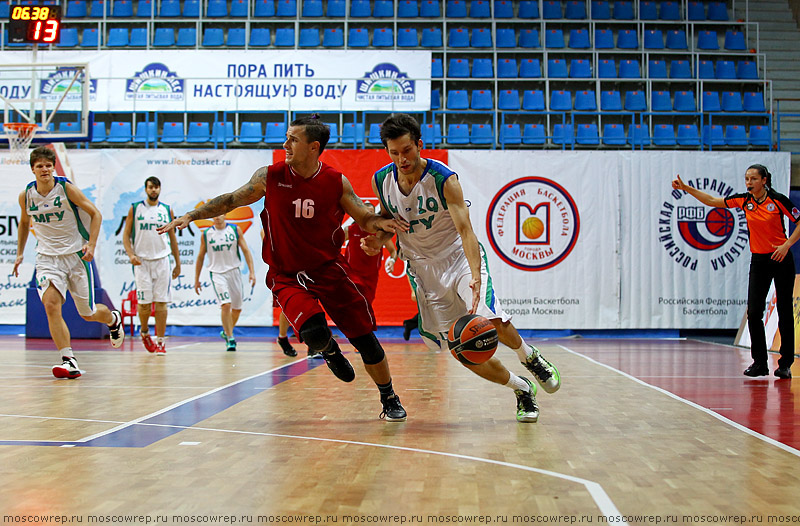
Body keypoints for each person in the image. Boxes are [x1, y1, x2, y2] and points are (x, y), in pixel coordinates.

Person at [159, 114, 409, 421]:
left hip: (328, 269)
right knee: (314, 332)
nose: (285, 144)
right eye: (286, 137)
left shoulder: (335, 182)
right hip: (287, 275)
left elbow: (363, 218)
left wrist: (381, 223)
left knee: (366, 342)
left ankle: (389, 397)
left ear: (314, 147)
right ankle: (329, 350)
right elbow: (229, 200)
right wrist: (192, 215)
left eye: (293, 139)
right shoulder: (270, 176)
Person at [363, 113, 562, 423]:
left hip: (457, 258)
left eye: (407, 150)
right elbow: (391, 222)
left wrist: (476, 275)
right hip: (423, 269)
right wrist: (378, 239)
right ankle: (522, 389)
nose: (401, 159)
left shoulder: (444, 179)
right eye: (394, 152)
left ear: (419, 145)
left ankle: (529, 357)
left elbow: (466, 231)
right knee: (463, 348)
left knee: (486, 316)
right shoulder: (381, 181)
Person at [672, 166, 800, 379]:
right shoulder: (744, 200)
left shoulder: (778, 200)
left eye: (753, 179)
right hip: (759, 260)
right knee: (754, 311)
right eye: (746, 178)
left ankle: (785, 364)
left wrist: (786, 245)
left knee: (785, 312)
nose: (749, 182)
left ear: (764, 181)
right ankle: (760, 363)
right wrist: (687, 189)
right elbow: (713, 201)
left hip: (781, 258)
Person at [13, 146, 124, 379]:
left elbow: (96, 214)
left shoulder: (65, 189)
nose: (44, 169)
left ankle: (113, 319)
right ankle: (68, 359)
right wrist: (20, 254)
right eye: (40, 165)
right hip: (47, 258)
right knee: (51, 304)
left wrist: (91, 244)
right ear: (32, 169)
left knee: (88, 313)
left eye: (48, 165)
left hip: (75, 256)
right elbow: (24, 224)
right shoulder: (27, 195)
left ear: (53, 167)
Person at [123, 176, 181, 355]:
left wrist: (177, 263)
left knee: (162, 302)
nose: (153, 190)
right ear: (146, 189)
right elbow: (126, 236)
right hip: (142, 261)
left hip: (162, 260)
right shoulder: (135, 209)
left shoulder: (166, 210)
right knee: (145, 304)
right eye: (150, 187)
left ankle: (161, 341)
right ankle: (145, 332)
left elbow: (172, 238)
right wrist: (131, 254)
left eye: (156, 187)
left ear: (160, 189)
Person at [194, 214, 257, 352]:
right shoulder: (207, 234)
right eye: (214, 214)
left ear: (225, 214)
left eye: (219, 214)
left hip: (234, 271)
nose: (217, 217)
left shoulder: (235, 230)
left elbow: (246, 251)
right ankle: (230, 338)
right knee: (225, 305)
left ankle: (227, 331)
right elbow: (200, 256)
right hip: (217, 273)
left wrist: (252, 272)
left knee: (237, 309)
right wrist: (196, 279)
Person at [343, 201, 398, 305]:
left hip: (370, 277)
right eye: (366, 213)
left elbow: (393, 251)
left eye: (371, 214)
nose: (369, 217)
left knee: (366, 306)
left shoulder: (380, 234)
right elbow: (333, 246)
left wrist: (392, 260)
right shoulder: (350, 230)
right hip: (351, 276)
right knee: (351, 306)